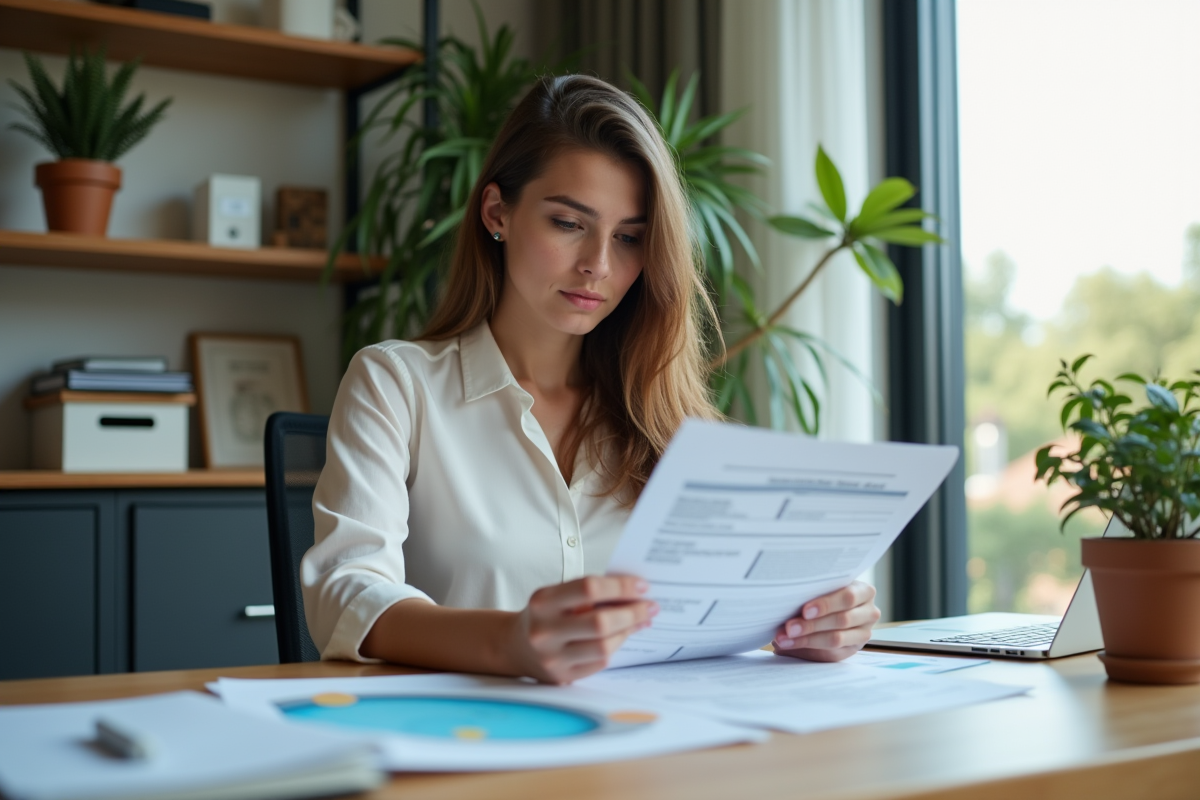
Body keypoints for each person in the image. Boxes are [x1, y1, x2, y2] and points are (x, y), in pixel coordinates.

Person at [301, 74, 880, 685]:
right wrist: (509, 643)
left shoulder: (665, 417)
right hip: (471, 743)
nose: (598, 265)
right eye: (568, 223)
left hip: (651, 746)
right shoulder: (397, 384)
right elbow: (345, 592)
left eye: (629, 238)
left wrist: (818, 617)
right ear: (498, 212)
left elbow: (725, 611)